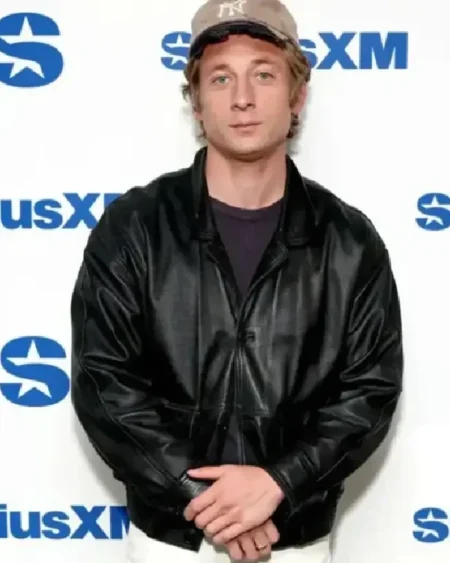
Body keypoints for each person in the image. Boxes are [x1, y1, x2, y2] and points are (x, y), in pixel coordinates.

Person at [70, 0, 403, 561]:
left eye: (264, 75)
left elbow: (368, 392)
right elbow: (105, 383)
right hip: (171, 541)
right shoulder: (134, 227)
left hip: (292, 539)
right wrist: (207, 501)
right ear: (197, 102)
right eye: (220, 78)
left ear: (297, 95)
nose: (242, 98)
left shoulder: (349, 241)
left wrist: (279, 484)